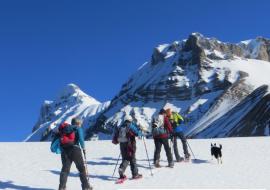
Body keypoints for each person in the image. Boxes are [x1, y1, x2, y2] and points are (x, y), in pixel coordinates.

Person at [58, 117, 92, 190]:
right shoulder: (78, 128)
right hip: (75, 150)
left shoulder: (65, 129)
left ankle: (62, 187)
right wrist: (83, 148)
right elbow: (81, 139)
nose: (81, 124)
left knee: (65, 170)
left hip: (65, 150)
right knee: (81, 169)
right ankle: (86, 187)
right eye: (80, 123)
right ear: (78, 123)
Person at [112, 115, 143, 180]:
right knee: (132, 158)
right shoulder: (130, 125)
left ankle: (121, 170)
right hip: (130, 144)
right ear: (130, 120)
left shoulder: (121, 126)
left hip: (122, 144)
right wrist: (140, 131)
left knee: (125, 158)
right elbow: (137, 133)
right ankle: (135, 174)